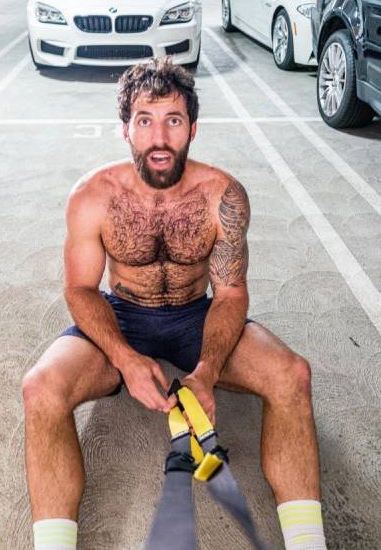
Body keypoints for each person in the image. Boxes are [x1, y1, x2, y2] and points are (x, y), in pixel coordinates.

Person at [22, 57, 327, 550]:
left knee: (292, 376)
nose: (159, 138)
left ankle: (309, 542)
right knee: (40, 388)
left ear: (193, 128)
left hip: (196, 315)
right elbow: (80, 289)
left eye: (173, 120)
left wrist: (207, 370)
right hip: (121, 315)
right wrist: (124, 357)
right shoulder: (92, 197)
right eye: (145, 121)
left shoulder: (222, 196)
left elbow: (230, 293)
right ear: (125, 129)